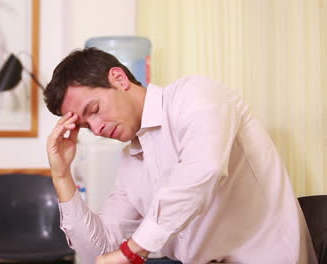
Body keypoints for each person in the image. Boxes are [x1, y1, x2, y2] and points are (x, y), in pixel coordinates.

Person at [44, 48, 317, 264]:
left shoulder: (196, 95)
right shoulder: (130, 161)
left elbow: (202, 171)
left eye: (94, 109)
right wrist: (62, 175)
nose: (96, 128)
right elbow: (99, 252)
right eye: (84, 126)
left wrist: (133, 250)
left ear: (119, 78)